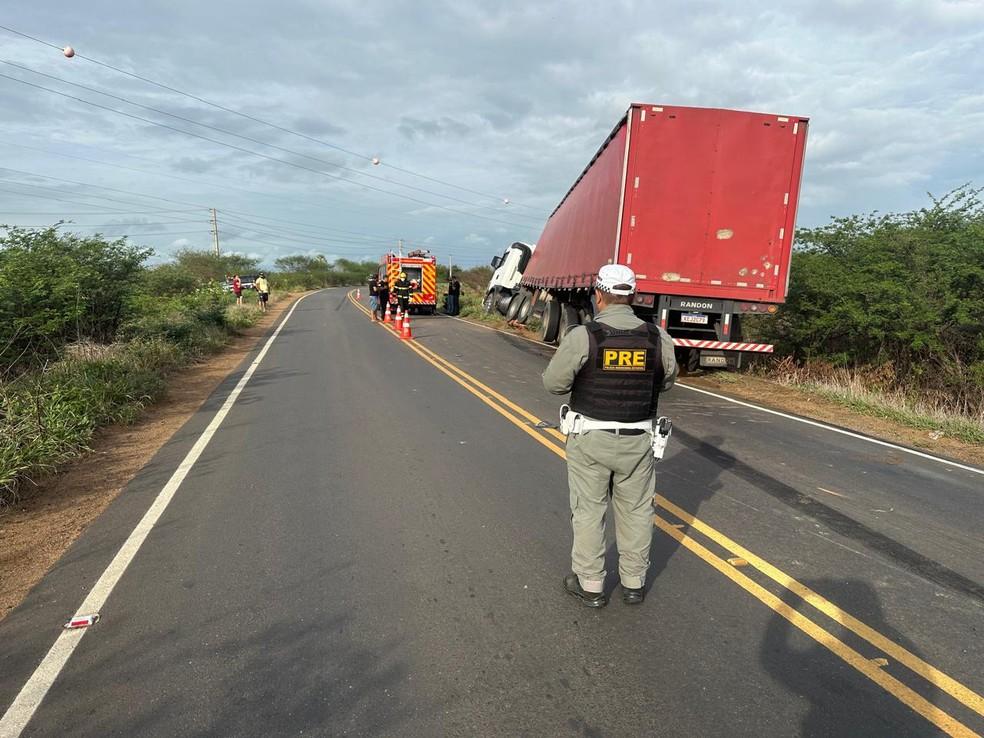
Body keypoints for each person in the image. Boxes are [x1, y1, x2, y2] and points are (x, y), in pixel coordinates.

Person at [542, 264, 677, 608]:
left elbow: (554, 384)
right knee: (636, 511)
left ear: (599, 295)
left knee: (588, 510)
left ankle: (590, 585)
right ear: (632, 295)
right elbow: (666, 380)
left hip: (590, 440)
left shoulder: (583, 336)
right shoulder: (656, 337)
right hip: (638, 440)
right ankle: (633, 583)